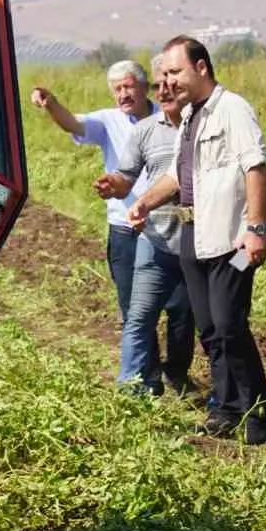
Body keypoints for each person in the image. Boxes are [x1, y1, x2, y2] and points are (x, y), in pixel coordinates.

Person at [127, 37, 266, 444]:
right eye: (164, 75)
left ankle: (259, 416)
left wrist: (256, 229)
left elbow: (256, 168)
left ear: (201, 68)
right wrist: (144, 202)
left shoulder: (233, 110)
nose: (168, 82)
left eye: (175, 72)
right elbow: (177, 176)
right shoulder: (190, 116)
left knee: (230, 324)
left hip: (235, 240)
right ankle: (226, 411)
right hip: (194, 235)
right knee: (209, 329)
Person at [95, 57, 198, 396]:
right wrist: (115, 185)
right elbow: (127, 177)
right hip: (153, 237)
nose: (165, 93)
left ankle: (177, 374)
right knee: (138, 315)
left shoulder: (201, 127)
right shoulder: (145, 131)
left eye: (171, 87)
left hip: (195, 240)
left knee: (184, 314)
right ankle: (136, 387)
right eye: (160, 88)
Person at [31, 60, 156, 329]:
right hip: (125, 226)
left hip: (163, 225)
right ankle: (144, 369)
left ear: (145, 87)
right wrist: (51, 103)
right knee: (131, 305)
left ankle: (176, 368)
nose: (123, 94)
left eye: (128, 86)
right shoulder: (108, 121)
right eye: (117, 89)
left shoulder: (167, 117)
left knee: (177, 304)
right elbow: (73, 124)